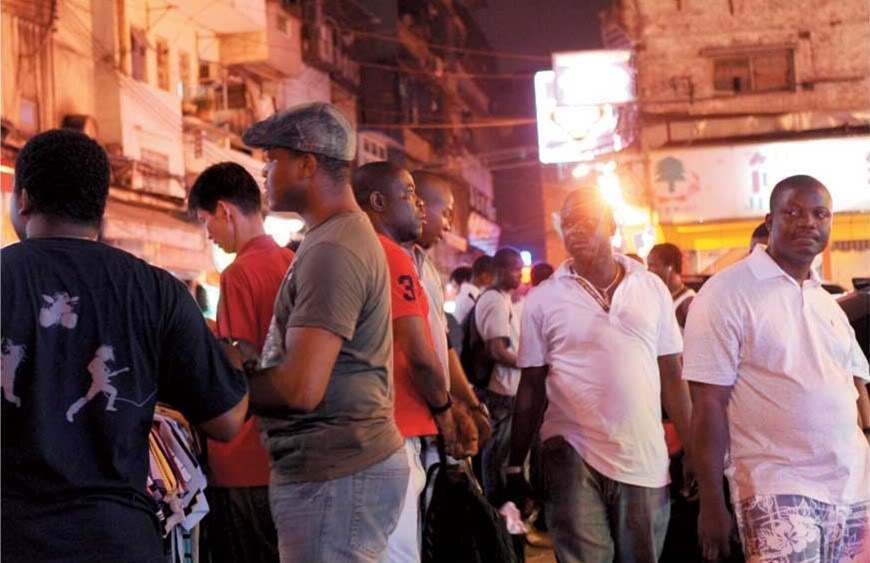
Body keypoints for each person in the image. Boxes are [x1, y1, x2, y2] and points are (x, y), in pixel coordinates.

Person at [1, 129, 248, 562]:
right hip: (119, 540)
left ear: (22, 199)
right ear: (102, 208)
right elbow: (227, 420)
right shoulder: (157, 291)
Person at [240, 102, 408, 563]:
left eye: (272, 160)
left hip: (338, 474)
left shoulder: (334, 247)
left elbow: (300, 387)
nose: (265, 174)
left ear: (307, 163)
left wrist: (220, 381)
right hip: (336, 472)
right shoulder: (327, 238)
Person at [686, 175, 870, 562]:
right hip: (777, 487)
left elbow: (853, 390)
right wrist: (711, 502)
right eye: (793, 212)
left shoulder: (824, 301)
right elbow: (708, 405)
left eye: (820, 214)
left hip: (852, 490)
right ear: (769, 222)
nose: (809, 222)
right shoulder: (726, 293)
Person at [506, 188, 694, 563]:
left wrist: (693, 447)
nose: (575, 231)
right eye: (568, 223)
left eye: (586, 221)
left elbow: (672, 373)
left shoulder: (650, 287)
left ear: (610, 226)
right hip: (570, 451)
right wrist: (515, 460)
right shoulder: (543, 299)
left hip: (644, 457)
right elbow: (531, 386)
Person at [353, 161, 476, 562]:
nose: (419, 208)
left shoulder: (409, 264)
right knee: (397, 550)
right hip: (392, 427)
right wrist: (444, 409)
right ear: (378, 202)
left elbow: (439, 347)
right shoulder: (384, 255)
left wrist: (463, 401)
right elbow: (420, 356)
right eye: (410, 196)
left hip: (386, 428)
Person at [188, 162, 295, 562]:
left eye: (206, 221)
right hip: (287, 456)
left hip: (243, 458)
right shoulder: (291, 262)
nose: (209, 235)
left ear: (225, 211)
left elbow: (237, 366)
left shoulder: (238, 274)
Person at [410, 170, 493, 447]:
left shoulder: (429, 270)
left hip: (435, 414)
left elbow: (443, 346)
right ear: (417, 205)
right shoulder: (383, 262)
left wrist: (470, 404)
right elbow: (418, 354)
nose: (447, 226)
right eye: (445, 213)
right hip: (406, 419)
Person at [475, 247, 524, 503]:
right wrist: (529, 364)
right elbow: (497, 350)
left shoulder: (502, 299)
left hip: (506, 389)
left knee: (502, 458)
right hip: (500, 391)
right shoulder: (494, 300)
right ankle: (498, 516)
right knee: (497, 458)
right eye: (515, 270)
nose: (520, 275)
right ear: (500, 270)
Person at [647, 242, 695, 330]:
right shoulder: (658, 297)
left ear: (670, 267)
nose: (648, 271)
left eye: (652, 265)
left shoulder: (688, 303)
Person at [454, 255, 496, 327]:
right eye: (493, 276)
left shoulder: (469, 295)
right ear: (484, 275)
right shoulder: (471, 298)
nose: (494, 281)